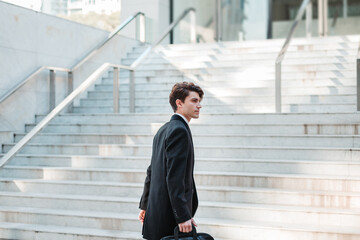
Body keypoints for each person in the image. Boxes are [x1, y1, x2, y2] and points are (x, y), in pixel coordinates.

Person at [138, 82, 204, 240]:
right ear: (179, 103)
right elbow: (175, 178)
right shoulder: (179, 130)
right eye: (194, 101)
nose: (199, 105)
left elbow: (151, 171)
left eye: (200, 101)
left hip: (158, 214)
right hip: (170, 219)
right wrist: (182, 215)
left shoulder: (163, 130)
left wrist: (146, 206)